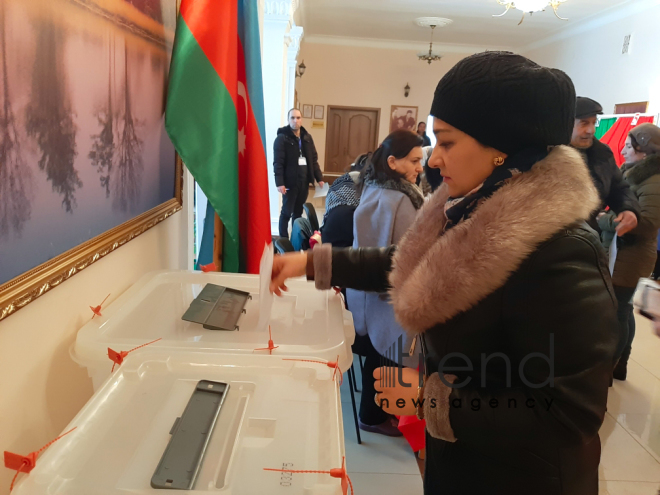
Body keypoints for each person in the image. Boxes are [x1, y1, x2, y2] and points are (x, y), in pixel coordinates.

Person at [269, 52, 618, 494]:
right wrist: (311, 262)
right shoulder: (473, 207)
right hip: (469, 460)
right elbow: (411, 261)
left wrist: (427, 399)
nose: (433, 161)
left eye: (447, 142)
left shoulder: (561, 252)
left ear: (501, 149)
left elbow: (569, 415)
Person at [346, 130, 424, 436]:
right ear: (393, 161)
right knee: (386, 353)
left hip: (391, 293)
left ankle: (384, 410)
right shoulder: (386, 196)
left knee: (390, 353)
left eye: (421, 160)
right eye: (414, 161)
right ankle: (372, 416)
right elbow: (374, 252)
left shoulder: (391, 191)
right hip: (383, 296)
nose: (420, 167)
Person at [599, 123, 660, 380]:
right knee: (621, 309)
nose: (623, 149)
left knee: (620, 312)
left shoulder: (654, 180)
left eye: (628, 145)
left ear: (642, 151)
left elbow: (646, 222)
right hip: (620, 251)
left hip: (631, 256)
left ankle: (610, 367)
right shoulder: (632, 172)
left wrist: (603, 219)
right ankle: (619, 363)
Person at [570, 97, 640, 233]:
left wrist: (629, 209)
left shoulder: (602, 154)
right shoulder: (546, 155)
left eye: (593, 123)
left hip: (589, 238)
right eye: (584, 124)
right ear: (566, 124)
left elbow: (618, 187)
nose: (591, 130)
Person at [274, 108, 324, 238]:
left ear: (301, 120)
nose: (295, 121)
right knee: (286, 212)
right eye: (292, 118)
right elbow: (278, 163)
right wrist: (280, 183)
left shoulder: (307, 138)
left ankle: (295, 239)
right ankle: (283, 240)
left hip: (304, 182)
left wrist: (319, 178)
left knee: (298, 212)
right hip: (290, 182)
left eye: (298, 118)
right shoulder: (282, 138)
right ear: (288, 120)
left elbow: (313, 160)